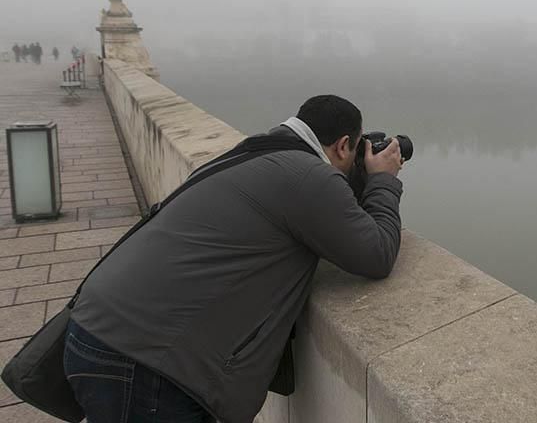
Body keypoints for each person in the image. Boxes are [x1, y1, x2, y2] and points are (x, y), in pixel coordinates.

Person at [66, 95, 405, 423]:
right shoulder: (308, 175)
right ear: (344, 145)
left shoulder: (257, 150)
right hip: (145, 364)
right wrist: (383, 180)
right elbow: (376, 254)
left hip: (102, 333)